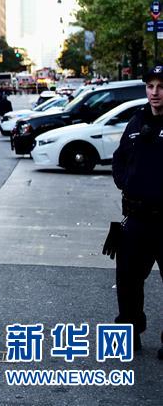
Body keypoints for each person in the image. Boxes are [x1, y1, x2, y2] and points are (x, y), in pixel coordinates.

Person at [111, 64, 163, 359]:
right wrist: (125, 181)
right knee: (128, 281)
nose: (154, 92)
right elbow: (119, 158)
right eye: (150, 86)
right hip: (136, 219)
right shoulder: (135, 121)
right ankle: (129, 333)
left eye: (160, 87)